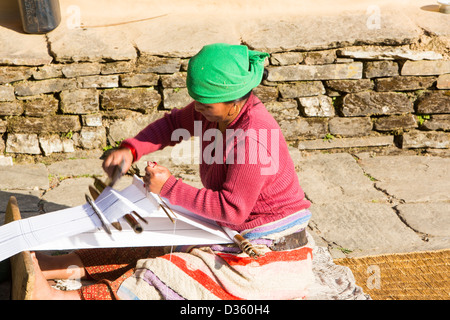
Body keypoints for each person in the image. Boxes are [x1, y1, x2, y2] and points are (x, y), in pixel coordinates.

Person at [29, 43, 314, 300]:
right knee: (145, 232)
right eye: (197, 101)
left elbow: (232, 209)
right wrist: (132, 150)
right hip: (230, 229)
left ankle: (62, 299)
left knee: (169, 274)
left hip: (267, 246)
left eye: (206, 105)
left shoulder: (253, 139)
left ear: (234, 101)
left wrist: (169, 188)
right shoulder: (214, 113)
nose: (198, 110)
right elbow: (173, 124)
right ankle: (54, 265)